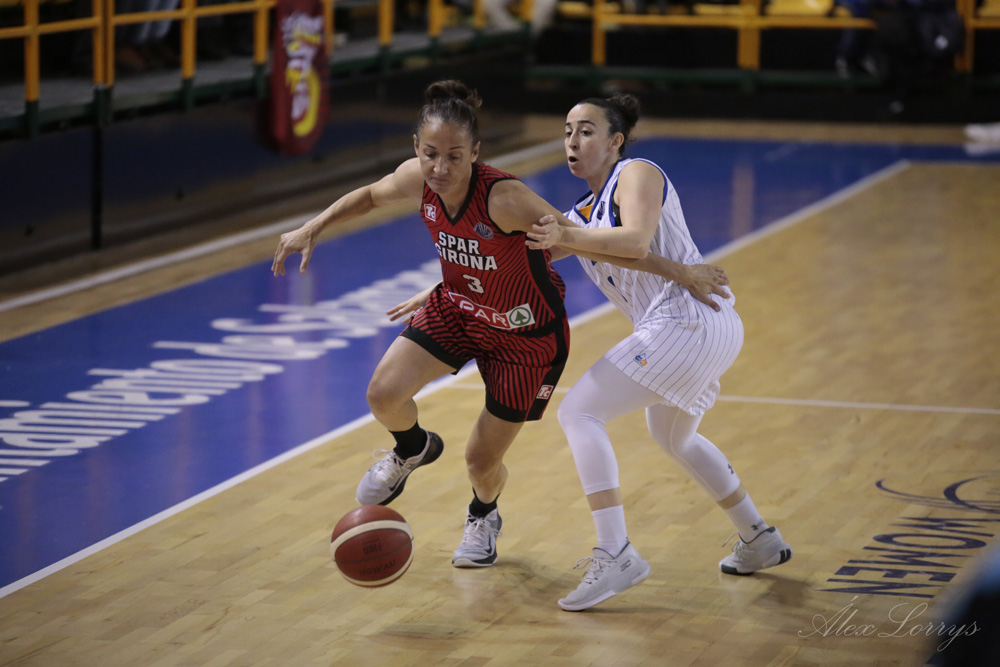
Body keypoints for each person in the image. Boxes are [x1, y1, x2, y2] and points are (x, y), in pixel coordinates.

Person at [272, 80, 730, 569]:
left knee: (480, 461)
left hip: (524, 336)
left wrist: (680, 271)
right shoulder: (417, 178)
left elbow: (586, 243)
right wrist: (311, 227)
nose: (440, 168)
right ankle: (413, 448)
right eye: (430, 154)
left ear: (475, 153)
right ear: (416, 148)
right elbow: (368, 196)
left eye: (454, 156)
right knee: (383, 395)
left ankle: (483, 513)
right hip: (459, 308)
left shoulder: (507, 199)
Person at [524, 93, 792, 611]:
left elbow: (634, 242)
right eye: (567, 131)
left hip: (687, 319)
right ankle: (759, 537)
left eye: (586, 131)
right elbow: (520, 259)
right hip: (698, 328)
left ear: (615, 141)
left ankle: (615, 552)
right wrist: (442, 289)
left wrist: (565, 235)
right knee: (674, 437)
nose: (573, 141)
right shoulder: (578, 214)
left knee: (579, 412)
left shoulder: (637, 172)